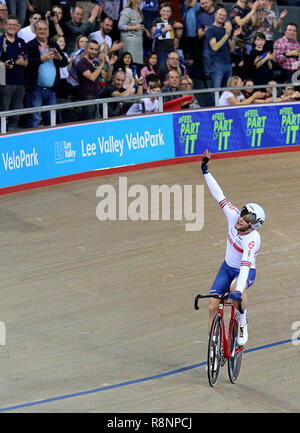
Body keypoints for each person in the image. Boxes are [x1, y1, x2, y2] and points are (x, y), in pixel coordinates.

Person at [201, 149, 265, 346]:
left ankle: (243, 321)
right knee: (212, 306)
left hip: (244, 272)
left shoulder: (253, 240)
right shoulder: (232, 215)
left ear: (251, 226)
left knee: (233, 289)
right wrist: (205, 170)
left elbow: (245, 266)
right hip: (227, 267)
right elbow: (219, 194)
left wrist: (237, 292)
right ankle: (214, 346)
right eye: (242, 213)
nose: (240, 218)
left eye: (245, 219)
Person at [25, 19, 68, 128]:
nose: (43, 31)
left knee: (51, 120)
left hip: (51, 89)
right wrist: (41, 59)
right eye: (40, 29)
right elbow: (26, 64)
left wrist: (60, 58)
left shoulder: (53, 44)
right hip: (36, 89)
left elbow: (64, 63)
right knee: (35, 119)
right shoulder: (30, 45)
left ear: (48, 31)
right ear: (35, 31)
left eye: (45, 29)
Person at [0, 14, 28, 131]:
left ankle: (13, 137)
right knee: (3, 113)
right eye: (9, 24)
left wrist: (24, 63)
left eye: (14, 25)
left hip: (20, 83)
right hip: (4, 82)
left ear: (18, 27)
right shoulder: (0, 40)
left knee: (16, 114)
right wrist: (3, 65)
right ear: (5, 26)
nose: (12, 27)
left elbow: (27, 61)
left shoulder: (21, 41)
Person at [75, 38, 107, 120]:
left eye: (96, 49)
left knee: (96, 123)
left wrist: (107, 65)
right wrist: (101, 64)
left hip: (97, 96)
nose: (94, 51)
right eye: (91, 49)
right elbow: (92, 77)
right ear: (85, 49)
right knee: (88, 123)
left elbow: (105, 78)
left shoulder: (96, 63)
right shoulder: (81, 63)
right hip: (87, 98)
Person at [118, 0, 150, 68]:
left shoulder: (139, 11)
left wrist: (145, 30)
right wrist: (134, 27)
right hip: (129, 43)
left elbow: (139, 26)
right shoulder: (127, 11)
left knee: (137, 66)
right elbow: (120, 26)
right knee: (129, 65)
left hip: (138, 44)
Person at [151, 1, 183, 67]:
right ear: (160, 11)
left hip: (171, 48)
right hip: (160, 49)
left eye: (168, 11)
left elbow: (178, 36)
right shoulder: (156, 21)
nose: (165, 13)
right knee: (162, 66)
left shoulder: (172, 21)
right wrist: (165, 29)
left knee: (174, 66)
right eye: (164, 10)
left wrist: (179, 28)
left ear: (171, 13)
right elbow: (153, 35)